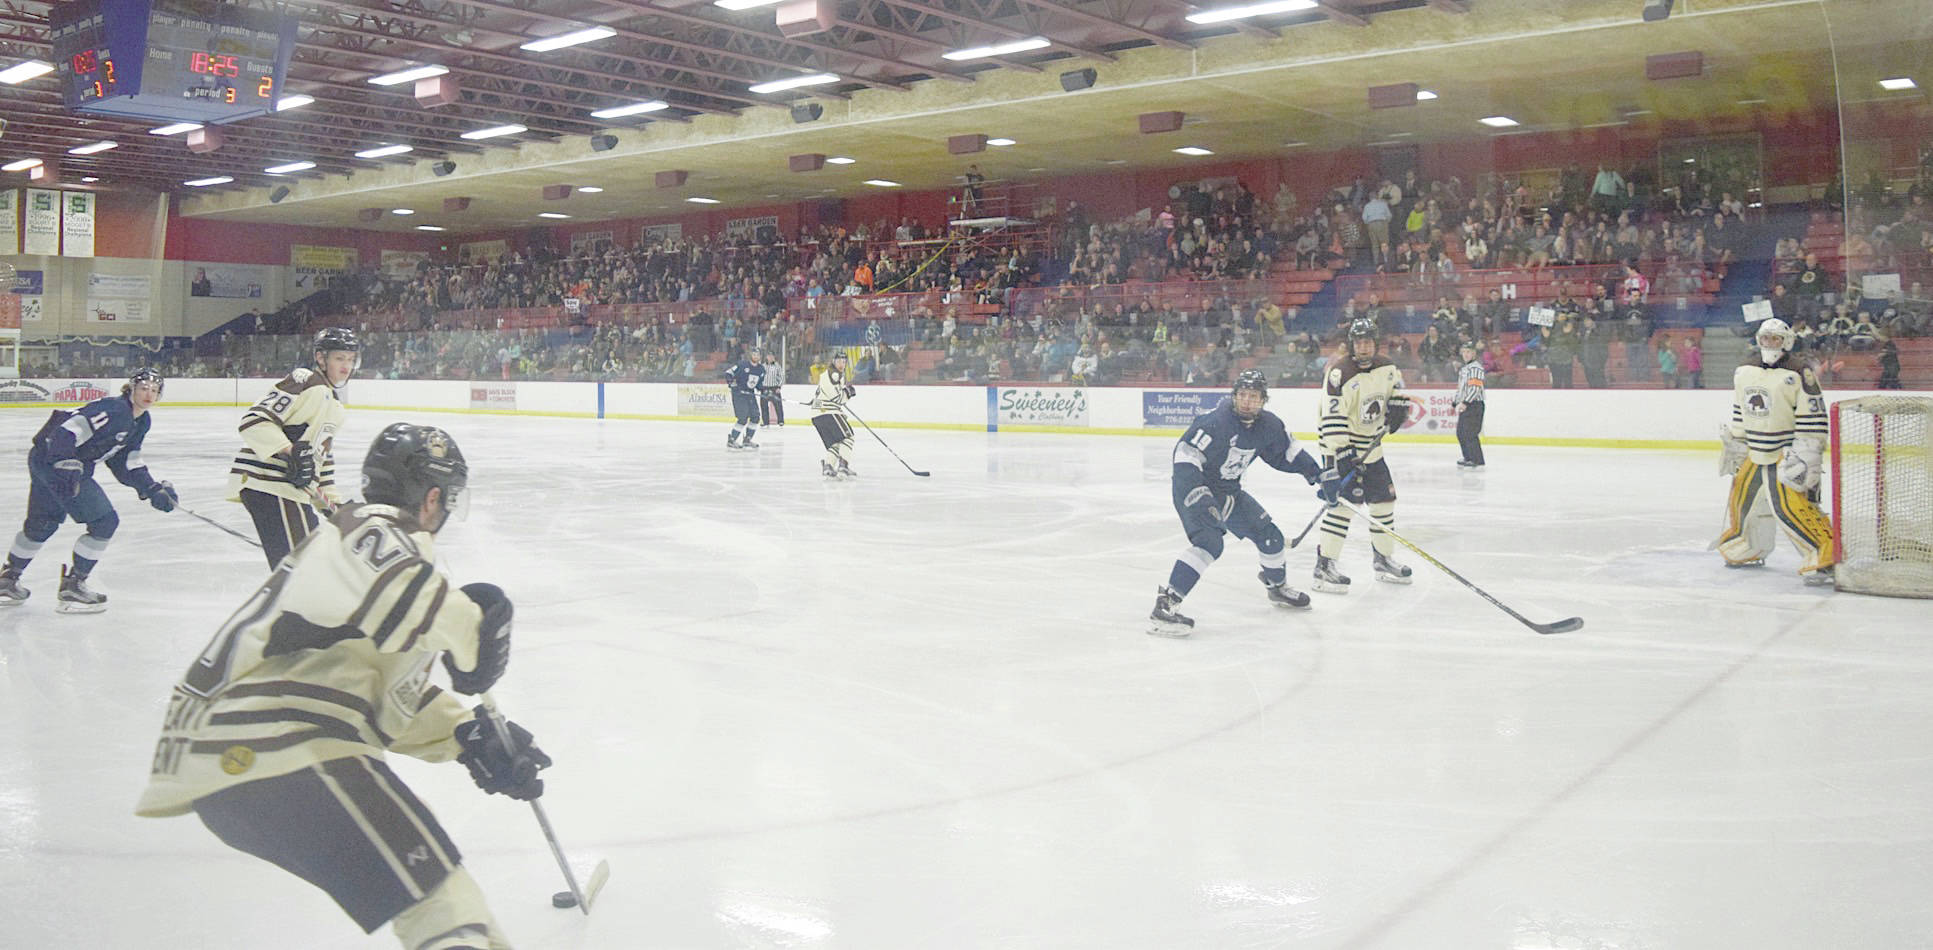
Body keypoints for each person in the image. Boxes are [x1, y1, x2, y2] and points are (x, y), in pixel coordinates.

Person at [136, 423, 546, 950]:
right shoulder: (371, 532)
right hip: (281, 751)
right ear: (434, 496)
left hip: (240, 764)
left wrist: (466, 734)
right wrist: (477, 630)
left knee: (441, 900)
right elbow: (431, 607)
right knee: (444, 909)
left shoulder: (349, 550)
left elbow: (367, 687)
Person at [1150, 371, 1325, 635]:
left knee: (1270, 536)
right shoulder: (1216, 422)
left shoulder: (1268, 426)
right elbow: (1186, 453)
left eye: (1253, 397)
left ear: (1263, 400)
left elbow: (1287, 453)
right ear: (1234, 397)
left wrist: (1318, 475)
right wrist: (1196, 491)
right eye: (1242, 395)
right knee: (1210, 542)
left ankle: (1276, 588)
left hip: (1227, 492)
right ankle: (1166, 605)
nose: (1246, 402)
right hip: (1194, 489)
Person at [0, 369, 177, 612]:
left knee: (43, 522)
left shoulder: (140, 421)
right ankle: (74, 586)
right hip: (58, 462)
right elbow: (67, 430)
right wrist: (64, 461)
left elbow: (125, 462)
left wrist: (152, 488)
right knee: (104, 522)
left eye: (154, 390)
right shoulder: (115, 410)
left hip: (44, 459)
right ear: (132, 389)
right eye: (144, 388)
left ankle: (7, 580)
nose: (149, 394)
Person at [1714, 319, 1835, 583]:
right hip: (1754, 451)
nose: (1770, 343)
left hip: (1785, 452)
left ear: (1787, 342)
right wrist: (1737, 441)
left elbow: (1812, 415)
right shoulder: (1745, 370)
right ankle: (1748, 545)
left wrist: (1808, 454)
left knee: (1791, 507)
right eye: (1766, 338)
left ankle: (1825, 554)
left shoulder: (1798, 372)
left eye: (1776, 339)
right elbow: (1740, 408)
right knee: (1743, 503)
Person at [228, 327, 356, 567]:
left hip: (290, 491)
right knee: (304, 572)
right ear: (320, 357)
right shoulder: (305, 381)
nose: (346, 365)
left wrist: (334, 508)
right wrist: (290, 450)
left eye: (350, 359)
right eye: (340, 358)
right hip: (270, 484)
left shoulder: (336, 408)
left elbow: (318, 462)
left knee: (306, 570)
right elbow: (254, 421)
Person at [1312, 319, 1412, 593]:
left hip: (1371, 448)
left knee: (1383, 502)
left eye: (1369, 342)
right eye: (1360, 342)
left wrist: (1398, 411)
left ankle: (1382, 560)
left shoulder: (1388, 368)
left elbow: (1398, 395)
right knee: (1342, 507)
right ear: (1352, 345)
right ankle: (1324, 566)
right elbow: (1331, 415)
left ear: (1375, 343)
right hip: (1340, 449)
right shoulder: (1339, 372)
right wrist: (1342, 455)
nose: (1364, 347)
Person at [811, 351, 858, 478]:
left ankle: (828, 466)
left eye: (844, 362)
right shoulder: (833, 374)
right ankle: (843, 466)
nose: (841, 364)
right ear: (833, 362)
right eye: (839, 361)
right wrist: (848, 393)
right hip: (829, 413)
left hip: (817, 416)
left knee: (835, 444)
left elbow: (821, 397)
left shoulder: (829, 375)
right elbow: (837, 399)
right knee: (848, 438)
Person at [723, 349, 767, 449]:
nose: (756, 356)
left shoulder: (761, 370)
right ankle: (732, 439)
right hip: (739, 394)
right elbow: (728, 373)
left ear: (760, 356)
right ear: (751, 355)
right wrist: (731, 382)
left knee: (755, 417)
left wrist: (765, 391)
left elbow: (758, 385)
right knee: (743, 418)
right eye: (754, 354)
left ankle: (747, 439)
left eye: (758, 355)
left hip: (750, 394)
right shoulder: (742, 365)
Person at [1453, 341, 1486, 469]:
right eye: (1464, 352)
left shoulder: (1475, 368)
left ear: (1474, 353)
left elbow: (1475, 388)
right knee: (1461, 432)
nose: (1466, 354)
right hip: (1466, 404)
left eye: (1468, 352)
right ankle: (1468, 457)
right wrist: (1455, 401)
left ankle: (1476, 459)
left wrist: (1466, 402)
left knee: (1470, 432)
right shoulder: (1465, 369)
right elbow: (1461, 388)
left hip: (1474, 404)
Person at [760, 351, 788, 424]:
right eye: (769, 356)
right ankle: (765, 421)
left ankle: (780, 421)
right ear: (766, 357)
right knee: (764, 406)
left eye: (772, 356)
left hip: (774, 388)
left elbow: (782, 377)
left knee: (778, 405)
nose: (770, 358)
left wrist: (779, 387)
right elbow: (760, 377)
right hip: (765, 388)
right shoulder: (762, 366)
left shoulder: (777, 366)